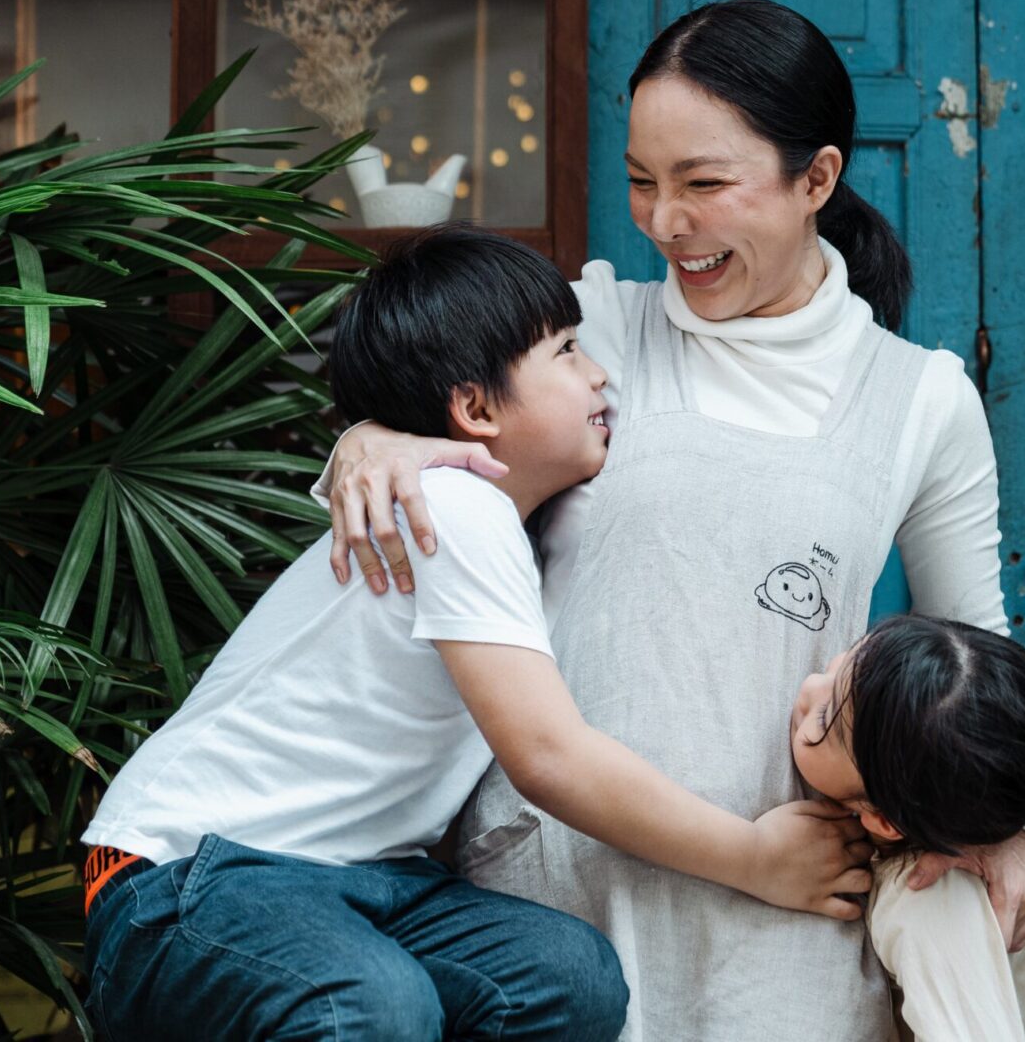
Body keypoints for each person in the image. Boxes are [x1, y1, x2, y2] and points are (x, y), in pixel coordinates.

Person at [318, 0, 1025, 1041]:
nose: (665, 221)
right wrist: (372, 440)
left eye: (704, 184)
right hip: (547, 908)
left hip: (784, 920)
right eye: (641, 182)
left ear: (817, 180)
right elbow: (424, 449)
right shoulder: (587, 329)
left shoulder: (919, 398)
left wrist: (1016, 832)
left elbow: (979, 662)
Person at [79, 225, 869, 1041]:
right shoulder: (455, 511)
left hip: (366, 883)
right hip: (183, 878)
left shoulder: (510, 523)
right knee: (369, 1006)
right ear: (476, 408)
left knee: (567, 979)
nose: (600, 374)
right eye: (567, 351)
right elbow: (549, 758)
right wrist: (753, 859)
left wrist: (369, 435)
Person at [791, 615, 1025, 1042]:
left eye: (825, 719)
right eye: (838, 665)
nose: (810, 685)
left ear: (884, 819)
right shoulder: (939, 852)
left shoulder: (929, 897)